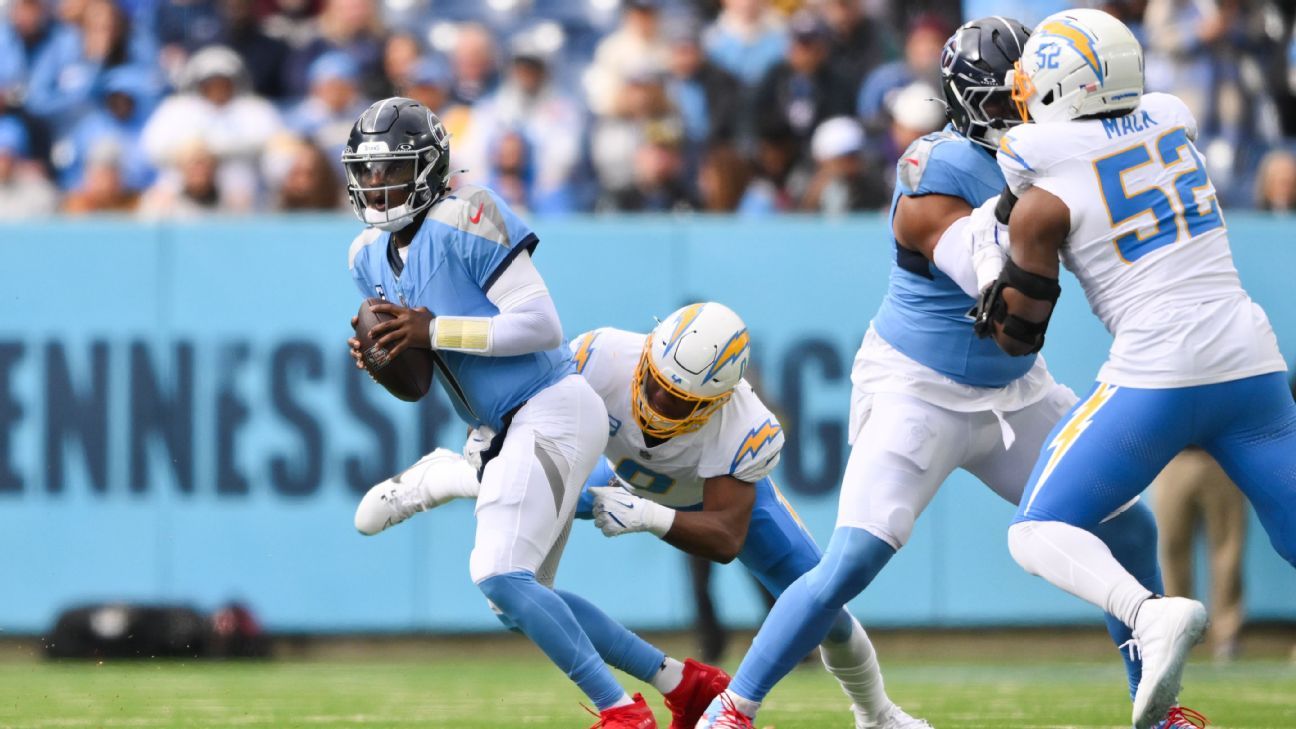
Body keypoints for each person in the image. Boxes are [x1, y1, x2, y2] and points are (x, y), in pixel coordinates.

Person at [698, 17, 1172, 728]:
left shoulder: (1056, 153)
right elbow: (984, 276)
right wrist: (1019, 225)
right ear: (973, 99)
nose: (1027, 108)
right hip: (917, 389)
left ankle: (1158, 711)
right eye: (1012, 96)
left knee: (1127, 525)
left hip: (1016, 390)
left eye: (1033, 93)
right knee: (851, 561)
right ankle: (732, 709)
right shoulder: (937, 165)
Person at [354, 302, 930, 729]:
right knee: (516, 591)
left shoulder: (746, 427)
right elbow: (532, 420)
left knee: (825, 606)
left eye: (680, 401)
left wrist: (652, 517)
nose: (658, 403)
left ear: (719, 400)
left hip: (700, 501)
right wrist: (491, 437)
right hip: (614, 478)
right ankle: (451, 475)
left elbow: (726, 537)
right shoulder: (600, 355)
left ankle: (877, 714)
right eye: (655, 384)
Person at [980, 8, 1296, 729]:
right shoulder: (1172, 118)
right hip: (1250, 359)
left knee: (1036, 530)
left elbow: (1019, 337)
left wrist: (1000, 276)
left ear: (1060, 88)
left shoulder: (1037, 170)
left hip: (1158, 371)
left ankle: (1148, 613)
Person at [341, 97, 658, 728]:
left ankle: (623, 713)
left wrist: (434, 331)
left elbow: (542, 326)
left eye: (393, 168)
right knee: (518, 602)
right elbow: (419, 374)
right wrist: (385, 354)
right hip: (501, 428)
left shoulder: (468, 214)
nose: (377, 184)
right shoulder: (365, 257)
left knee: (497, 572)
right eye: (368, 170)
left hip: (551, 404)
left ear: (430, 168)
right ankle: (682, 681)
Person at [1152, 448, 1246, 662]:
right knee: (1171, 549)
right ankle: (1177, 632)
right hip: (1172, 459)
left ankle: (1227, 637)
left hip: (1222, 458)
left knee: (1227, 550)